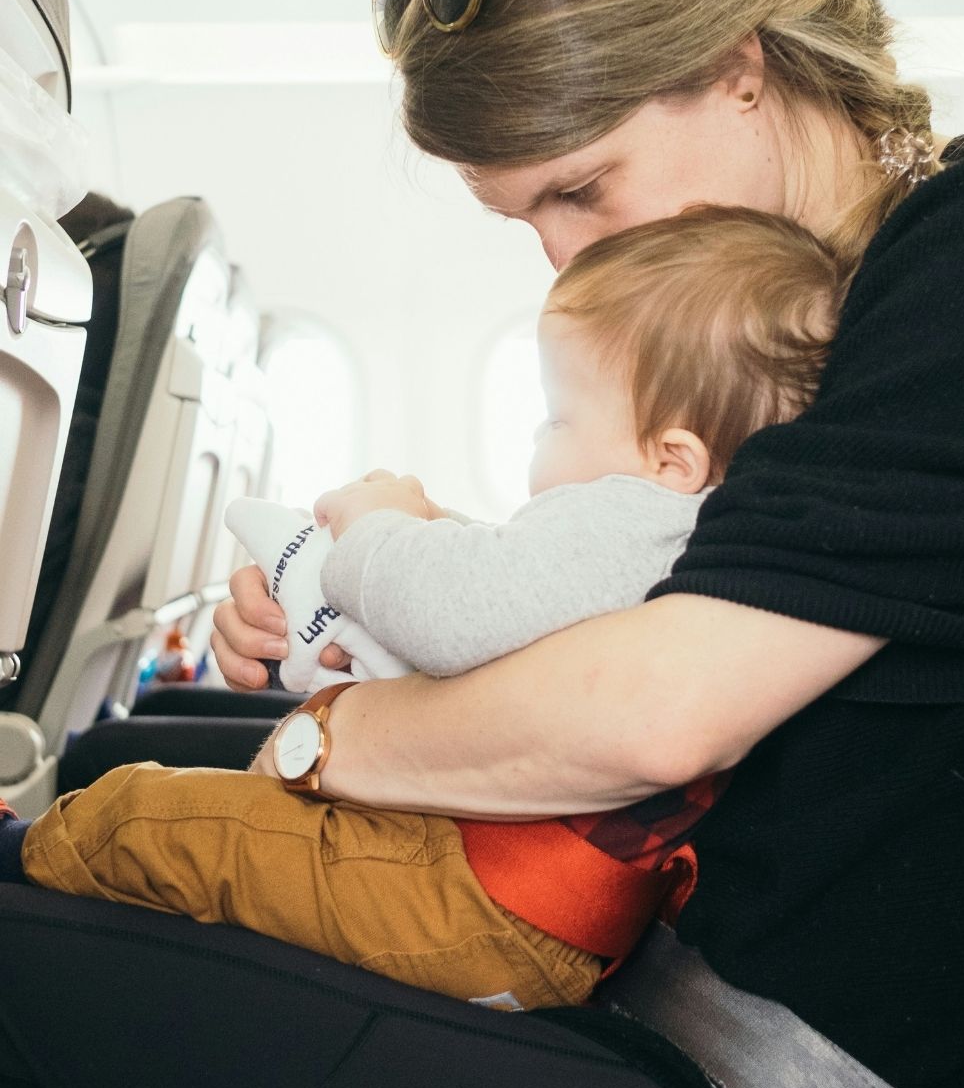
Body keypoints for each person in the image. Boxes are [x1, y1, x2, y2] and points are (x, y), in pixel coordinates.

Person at [0, 0, 964, 1088]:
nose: (562, 257)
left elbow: (659, 711)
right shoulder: (767, 315)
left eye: (580, 189)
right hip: (643, 1001)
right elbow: (644, 588)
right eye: (523, 218)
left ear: (738, 65)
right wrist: (360, 597)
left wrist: (331, 734)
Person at [0, 208, 842, 1013]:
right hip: (527, 904)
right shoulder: (690, 536)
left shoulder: (637, 516)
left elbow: (456, 613)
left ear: (672, 460)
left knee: (144, 815)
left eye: (556, 417)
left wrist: (380, 529)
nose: (536, 442)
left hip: (478, 896)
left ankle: (16, 856)